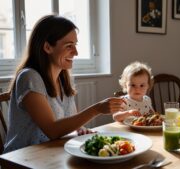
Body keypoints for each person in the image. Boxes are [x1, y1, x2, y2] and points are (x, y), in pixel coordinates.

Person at [3, 14, 125, 153]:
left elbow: (68, 122)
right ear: (48, 47)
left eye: (75, 45)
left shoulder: (63, 78)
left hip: (53, 152)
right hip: (23, 158)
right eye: (69, 46)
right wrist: (96, 109)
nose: (76, 52)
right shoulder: (29, 77)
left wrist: (80, 129)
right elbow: (52, 130)